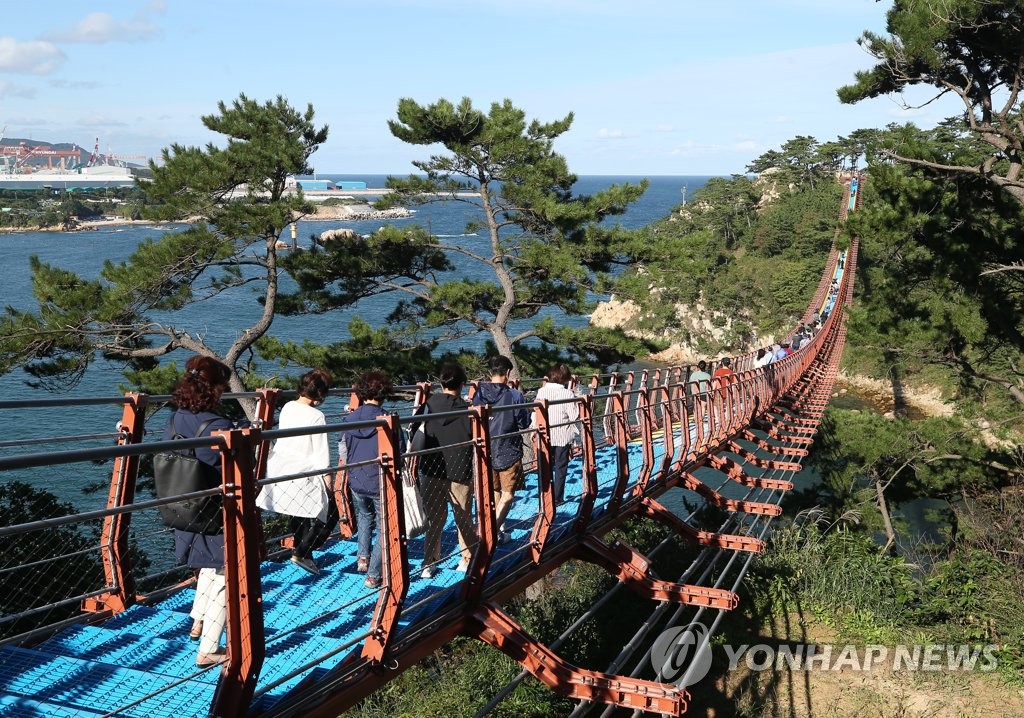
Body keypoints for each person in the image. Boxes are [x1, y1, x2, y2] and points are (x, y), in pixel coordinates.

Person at [167, 355, 234, 667]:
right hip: (214, 510)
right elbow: (231, 470)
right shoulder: (218, 426)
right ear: (214, 388)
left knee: (208, 565)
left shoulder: (176, 418)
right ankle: (209, 648)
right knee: (223, 570)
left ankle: (197, 621)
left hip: (182, 505)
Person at [256, 368, 336, 575]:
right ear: (320, 393)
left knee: (299, 514)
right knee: (331, 514)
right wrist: (329, 484)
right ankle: (301, 552)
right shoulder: (317, 416)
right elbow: (321, 455)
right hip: (305, 472)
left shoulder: (288, 406)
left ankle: (305, 556)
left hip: (281, 469)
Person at [418, 363, 475, 574]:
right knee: (463, 517)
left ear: (441, 383)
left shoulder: (428, 405)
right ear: (462, 384)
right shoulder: (468, 410)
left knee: (434, 519)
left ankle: (429, 563)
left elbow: (415, 431)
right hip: (460, 469)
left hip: (432, 467)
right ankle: (467, 558)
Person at [340, 370, 393, 589]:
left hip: (356, 478)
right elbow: (397, 449)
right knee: (384, 525)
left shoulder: (350, 418)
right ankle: (373, 575)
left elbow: (343, 447)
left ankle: (363, 557)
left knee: (364, 515)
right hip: (379, 479)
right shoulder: (386, 419)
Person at [472, 356, 530, 545]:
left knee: (495, 490)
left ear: (490, 373)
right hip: (509, 449)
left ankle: (495, 531)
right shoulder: (514, 396)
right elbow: (523, 422)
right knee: (508, 494)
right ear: (507, 373)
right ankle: (492, 532)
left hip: (485, 449)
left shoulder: (478, 394)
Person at [533, 364, 581, 505]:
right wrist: (577, 400)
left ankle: (544, 496)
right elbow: (574, 416)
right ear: (565, 379)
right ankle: (557, 498)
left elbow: (536, 412)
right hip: (562, 435)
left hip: (544, 433)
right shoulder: (567, 393)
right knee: (560, 467)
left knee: (545, 466)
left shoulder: (541, 391)